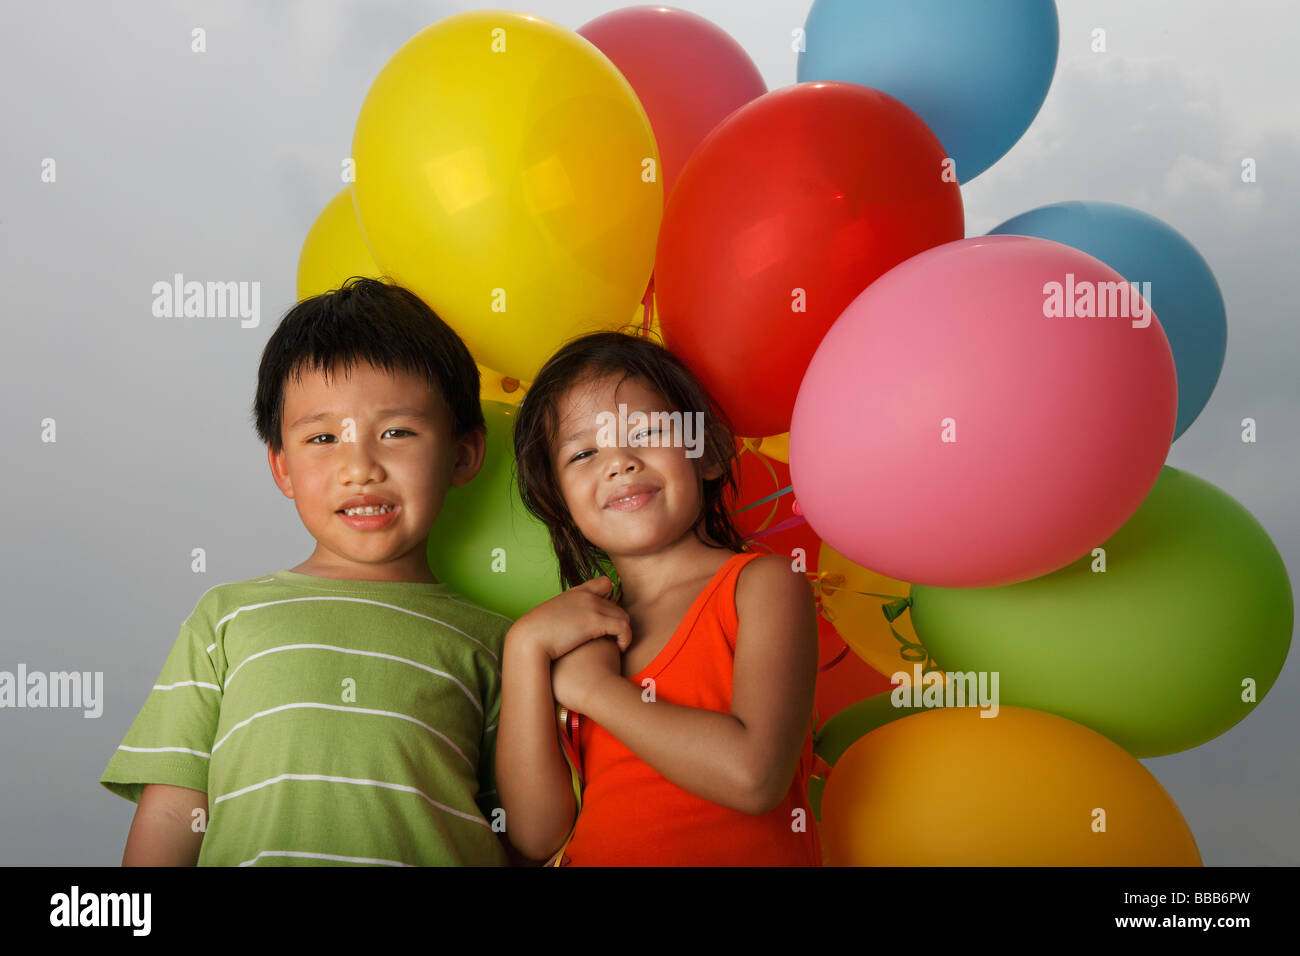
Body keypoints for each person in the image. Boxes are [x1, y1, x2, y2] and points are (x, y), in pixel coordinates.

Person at [99, 276, 514, 866]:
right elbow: (172, 811)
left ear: (464, 453)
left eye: (396, 432)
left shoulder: (498, 643)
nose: (359, 468)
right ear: (283, 469)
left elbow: (519, 832)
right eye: (322, 437)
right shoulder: (227, 619)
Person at [497, 331, 822, 865]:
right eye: (584, 452)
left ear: (710, 452)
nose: (619, 462)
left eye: (646, 431)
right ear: (557, 500)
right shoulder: (581, 632)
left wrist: (599, 692)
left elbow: (754, 777)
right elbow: (536, 834)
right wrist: (524, 648)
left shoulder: (762, 586)